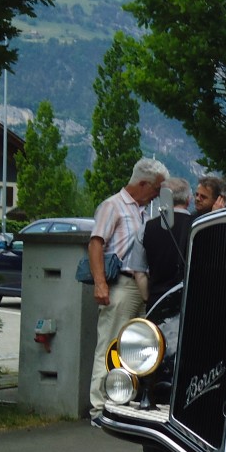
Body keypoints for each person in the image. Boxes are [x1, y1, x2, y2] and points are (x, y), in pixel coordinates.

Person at [87, 157, 168, 423]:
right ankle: (99, 407)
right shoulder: (113, 206)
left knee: (134, 347)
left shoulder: (140, 210)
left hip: (138, 284)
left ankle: (120, 399)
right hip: (121, 283)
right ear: (143, 184)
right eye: (156, 188)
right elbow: (96, 243)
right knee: (110, 343)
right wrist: (100, 282)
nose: (158, 194)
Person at [142, 177, 193, 306]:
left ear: (164, 198)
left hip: (157, 299)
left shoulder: (147, 227)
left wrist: (147, 298)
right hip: (189, 300)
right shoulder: (198, 226)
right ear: (188, 199)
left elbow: (139, 270)